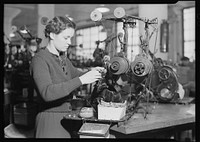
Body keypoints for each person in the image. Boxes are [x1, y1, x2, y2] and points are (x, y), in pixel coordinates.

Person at [30, 16, 105, 138]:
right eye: (66, 38)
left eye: (70, 38)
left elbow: (76, 75)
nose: (69, 42)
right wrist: (82, 80)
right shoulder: (40, 59)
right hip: (50, 119)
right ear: (52, 35)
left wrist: (93, 72)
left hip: (66, 117)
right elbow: (47, 92)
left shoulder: (63, 58)